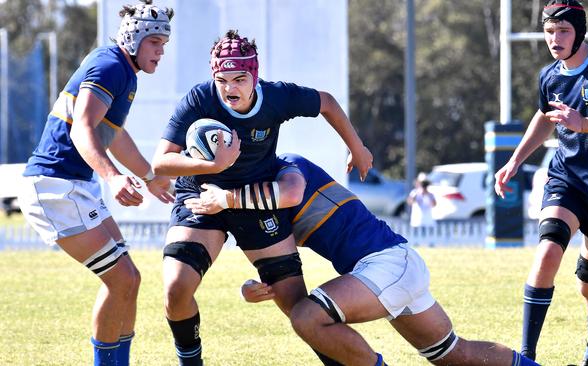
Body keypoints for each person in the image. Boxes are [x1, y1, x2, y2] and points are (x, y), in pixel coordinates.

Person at [186, 153, 539, 366]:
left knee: (307, 317)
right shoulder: (251, 202)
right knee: (453, 355)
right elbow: (280, 265)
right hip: (393, 267)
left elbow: (290, 191)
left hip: (388, 263)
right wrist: (251, 288)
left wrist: (228, 199)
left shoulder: (287, 168)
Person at [151, 30, 373, 365]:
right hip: (202, 196)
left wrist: (357, 147)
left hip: (253, 199)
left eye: (239, 79)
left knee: (297, 307)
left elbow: (326, 101)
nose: (230, 89)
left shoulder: (276, 98)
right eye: (222, 79)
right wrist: (209, 164)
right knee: (176, 289)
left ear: (255, 75)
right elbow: (161, 162)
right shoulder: (199, 99)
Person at [17, 1, 175, 365]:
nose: (161, 52)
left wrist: (150, 178)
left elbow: (113, 136)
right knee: (121, 280)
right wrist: (113, 176)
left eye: (164, 45)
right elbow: (83, 130)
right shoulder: (109, 66)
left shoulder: (123, 70)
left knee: (130, 281)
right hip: (54, 187)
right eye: (156, 43)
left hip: (72, 185)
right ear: (134, 39)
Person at [493, 1, 588, 365]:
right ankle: (527, 357)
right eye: (549, 32)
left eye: (562, 31)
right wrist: (515, 160)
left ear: (579, 32)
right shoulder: (549, 76)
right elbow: (545, 115)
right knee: (548, 251)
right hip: (567, 180)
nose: (554, 39)